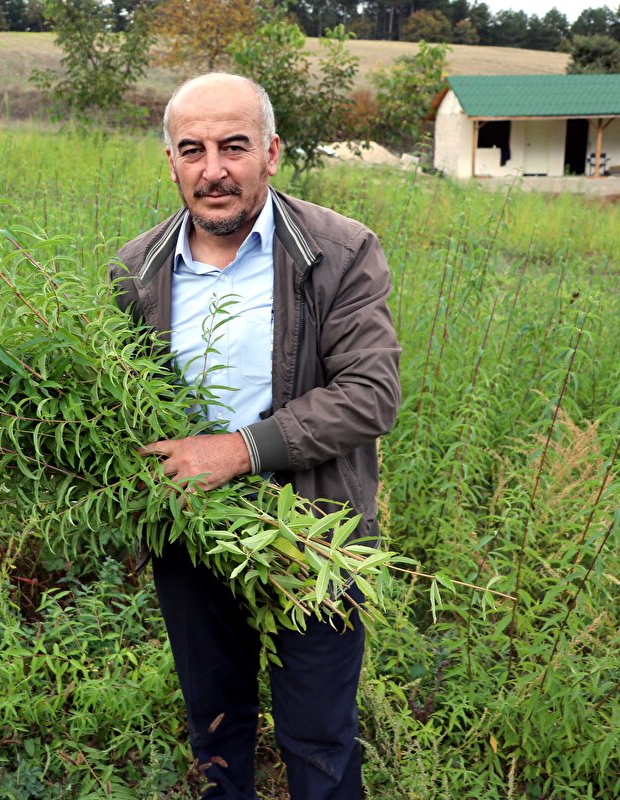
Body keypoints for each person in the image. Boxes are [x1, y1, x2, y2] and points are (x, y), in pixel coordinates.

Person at [109, 73, 401, 799]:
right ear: (171, 162)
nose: (213, 170)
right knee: (215, 728)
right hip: (192, 532)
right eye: (193, 150)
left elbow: (371, 394)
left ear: (271, 153)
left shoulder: (339, 252)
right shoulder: (136, 272)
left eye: (233, 147)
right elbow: (123, 408)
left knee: (320, 739)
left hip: (314, 533)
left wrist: (239, 450)